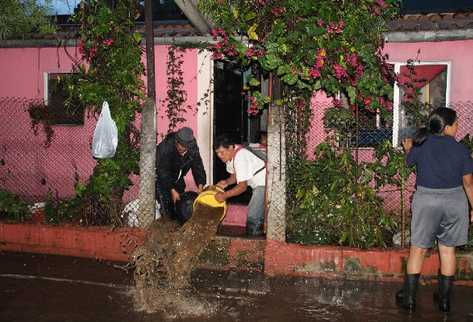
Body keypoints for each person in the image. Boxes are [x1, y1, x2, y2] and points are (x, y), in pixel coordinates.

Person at [396, 107, 473, 313]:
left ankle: (409, 300)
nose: (458, 127)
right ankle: (445, 301)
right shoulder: (461, 149)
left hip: (427, 200)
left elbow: (410, 161)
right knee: (447, 250)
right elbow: (468, 183)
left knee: (418, 249)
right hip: (455, 201)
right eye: (456, 124)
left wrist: (408, 149)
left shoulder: (422, 145)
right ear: (447, 127)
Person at [213, 134, 266, 236]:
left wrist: (224, 196)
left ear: (231, 147)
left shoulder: (240, 156)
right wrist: (227, 182)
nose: (220, 155)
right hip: (258, 185)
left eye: (222, 152)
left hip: (263, 183)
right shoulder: (231, 156)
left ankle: (255, 243)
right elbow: (236, 175)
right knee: (256, 215)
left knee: (253, 218)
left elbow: (242, 187)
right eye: (217, 153)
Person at [155, 127, 206, 221]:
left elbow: (198, 166)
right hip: (161, 177)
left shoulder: (192, 148)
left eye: (185, 147)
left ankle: (177, 224)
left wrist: (200, 186)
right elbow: (163, 171)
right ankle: (166, 225)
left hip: (177, 176)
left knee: (181, 204)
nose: (182, 149)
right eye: (180, 146)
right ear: (176, 141)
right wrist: (172, 190)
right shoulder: (166, 147)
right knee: (166, 205)